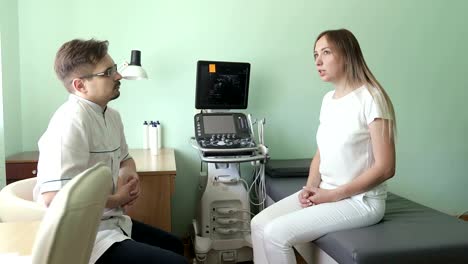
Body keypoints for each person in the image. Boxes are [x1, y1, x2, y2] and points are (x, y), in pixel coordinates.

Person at [33, 39, 188, 264]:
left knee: (174, 245)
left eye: (115, 69)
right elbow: (54, 198)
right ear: (80, 86)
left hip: (112, 222)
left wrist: (129, 174)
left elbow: (125, 158)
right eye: (108, 72)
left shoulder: (111, 116)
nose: (118, 76)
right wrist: (116, 199)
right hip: (82, 236)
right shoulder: (69, 122)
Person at [251, 29, 396, 263]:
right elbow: (322, 150)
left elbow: (386, 167)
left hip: (360, 201)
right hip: (327, 190)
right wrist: (309, 188)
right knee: (258, 224)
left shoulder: (371, 97)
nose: (318, 61)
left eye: (326, 52)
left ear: (347, 54)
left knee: (275, 234)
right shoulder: (328, 100)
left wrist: (332, 195)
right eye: (315, 55)